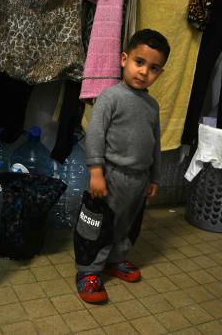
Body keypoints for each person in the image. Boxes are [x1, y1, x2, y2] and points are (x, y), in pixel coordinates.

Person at [74, 29, 169, 303]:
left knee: (127, 225)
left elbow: (155, 144)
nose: (143, 72)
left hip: (138, 180)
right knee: (98, 226)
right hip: (110, 176)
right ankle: (88, 270)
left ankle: (115, 260)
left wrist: (154, 177)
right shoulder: (110, 97)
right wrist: (95, 171)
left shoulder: (152, 106)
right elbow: (95, 135)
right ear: (124, 59)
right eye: (139, 62)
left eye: (153, 68)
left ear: (160, 73)